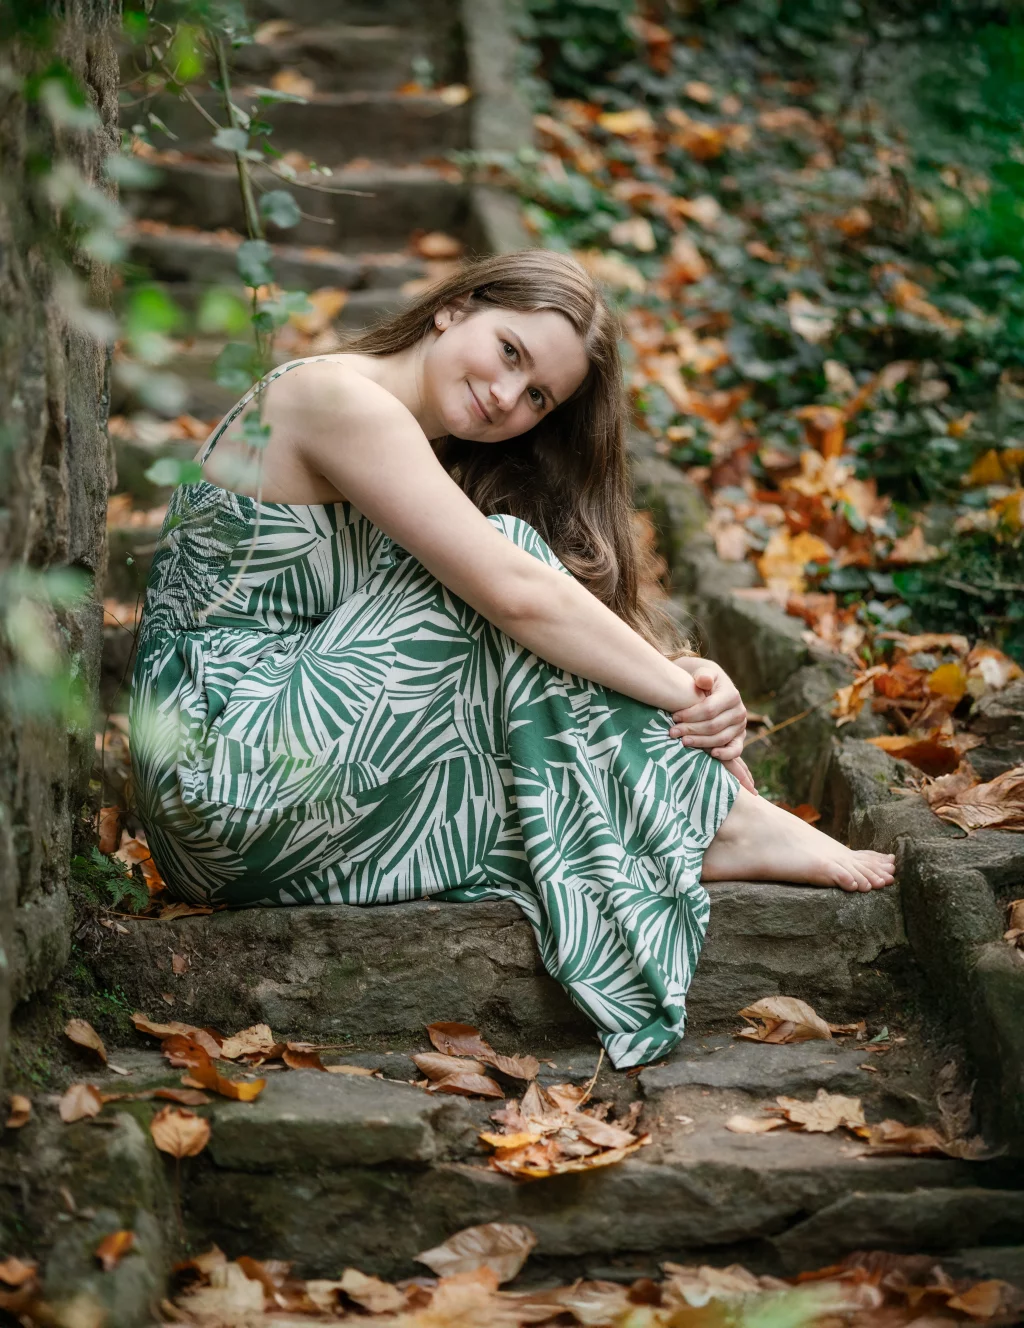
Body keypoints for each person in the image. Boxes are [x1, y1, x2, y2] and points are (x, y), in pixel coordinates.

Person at [129, 249, 894, 1068]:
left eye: (537, 397)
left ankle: (704, 816)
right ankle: (717, 821)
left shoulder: (413, 438)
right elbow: (517, 594)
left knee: (524, 614)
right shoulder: (337, 397)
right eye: (509, 351)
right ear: (454, 307)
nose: (505, 397)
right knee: (508, 560)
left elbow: (520, 617)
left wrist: (672, 667)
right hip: (217, 772)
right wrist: (680, 691)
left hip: (250, 786)